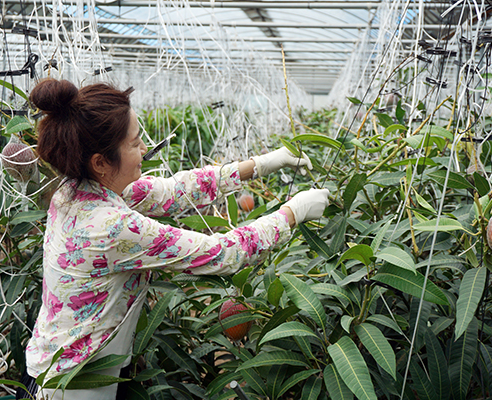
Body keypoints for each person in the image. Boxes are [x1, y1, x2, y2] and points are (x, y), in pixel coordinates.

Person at [20, 78, 330, 399]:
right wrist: (293, 213)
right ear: (100, 162)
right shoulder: (110, 226)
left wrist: (262, 164)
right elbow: (224, 255)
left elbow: (176, 191)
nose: (143, 149)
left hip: (63, 368)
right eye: (134, 143)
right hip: (74, 387)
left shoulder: (77, 190)